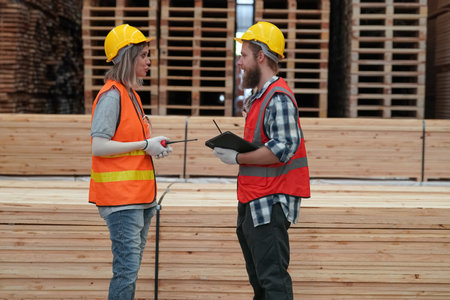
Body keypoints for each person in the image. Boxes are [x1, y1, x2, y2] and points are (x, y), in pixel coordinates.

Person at [212, 21, 310, 300]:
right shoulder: (261, 96)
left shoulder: (278, 98)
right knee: (261, 284)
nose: (239, 62)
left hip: (270, 202)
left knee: (273, 283)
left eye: (243, 55)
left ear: (261, 57)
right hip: (254, 200)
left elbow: (283, 148)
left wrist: (238, 157)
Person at [89, 24, 172, 300]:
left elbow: (129, 145)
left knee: (130, 270)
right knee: (126, 271)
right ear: (127, 57)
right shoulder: (112, 96)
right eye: (144, 55)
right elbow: (99, 146)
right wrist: (143, 145)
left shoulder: (131, 95)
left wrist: (152, 148)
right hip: (121, 202)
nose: (149, 62)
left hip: (139, 198)